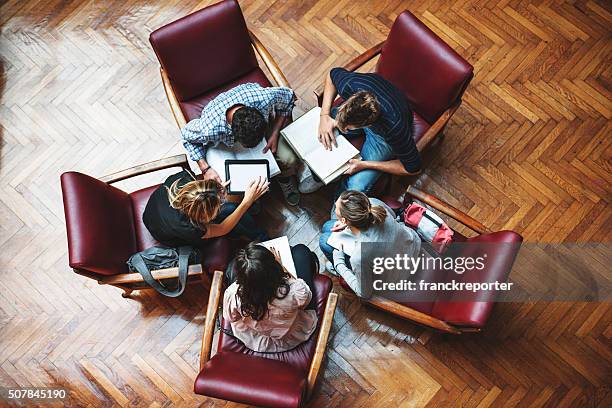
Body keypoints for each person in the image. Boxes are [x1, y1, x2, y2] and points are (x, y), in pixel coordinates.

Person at [181, 83, 322, 207]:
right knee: (229, 183)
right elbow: (186, 136)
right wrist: (205, 169)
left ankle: (284, 179)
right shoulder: (210, 128)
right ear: (232, 133)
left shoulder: (264, 98)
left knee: (288, 158)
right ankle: (248, 198)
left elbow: (289, 96)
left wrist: (274, 133)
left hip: (264, 131)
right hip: (224, 146)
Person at [317, 67, 422, 195]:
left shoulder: (395, 128)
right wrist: (324, 116)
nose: (341, 128)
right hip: (375, 107)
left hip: (382, 137)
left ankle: (339, 206)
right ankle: (318, 174)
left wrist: (365, 165)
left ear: (366, 125)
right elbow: (331, 74)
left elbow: (413, 168)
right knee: (322, 135)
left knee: (356, 187)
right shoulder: (350, 84)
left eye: (347, 128)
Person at [319, 190, 421, 297]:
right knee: (327, 226)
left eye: (336, 207)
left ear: (344, 220)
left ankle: (339, 270)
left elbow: (364, 293)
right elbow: (393, 216)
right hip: (412, 245)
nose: (335, 208)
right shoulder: (373, 203)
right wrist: (349, 224)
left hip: (397, 277)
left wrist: (339, 264)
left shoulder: (358, 258)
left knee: (324, 241)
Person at [223, 243, 319, 353]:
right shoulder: (292, 291)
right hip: (290, 336)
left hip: (257, 337)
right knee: (300, 250)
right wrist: (284, 270)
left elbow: (231, 318)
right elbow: (306, 300)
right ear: (274, 268)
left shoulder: (232, 294)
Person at [143, 169, 269, 247]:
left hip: (153, 212)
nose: (222, 200)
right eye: (218, 204)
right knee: (230, 209)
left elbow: (202, 192)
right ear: (204, 217)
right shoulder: (191, 228)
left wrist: (215, 191)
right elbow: (222, 228)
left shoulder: (181, 179)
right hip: (166, 234)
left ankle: (257, 234)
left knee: (231, 209)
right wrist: (246, 202)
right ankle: (261, 238)